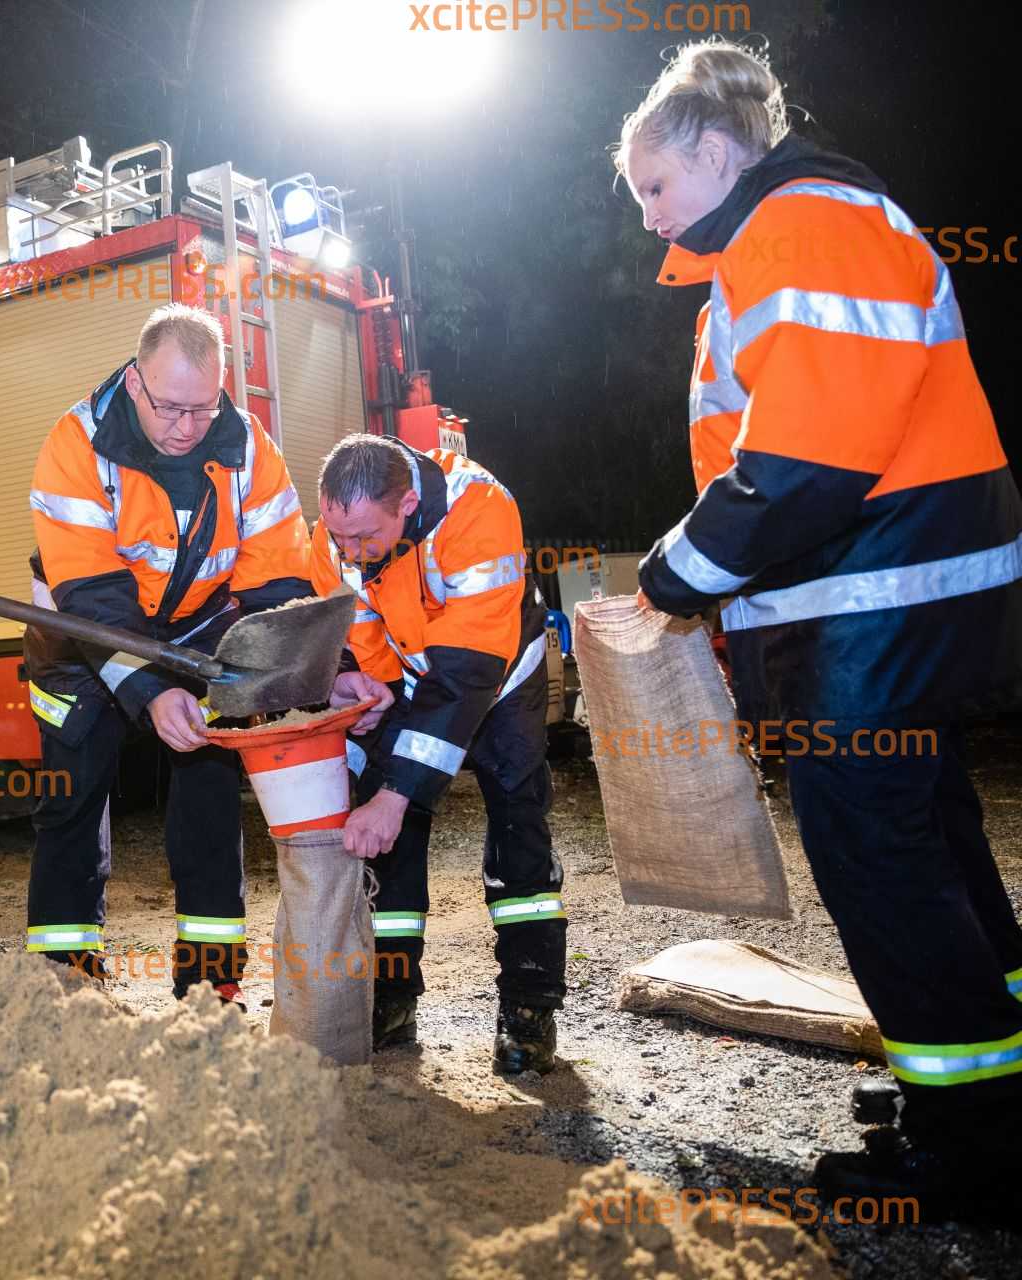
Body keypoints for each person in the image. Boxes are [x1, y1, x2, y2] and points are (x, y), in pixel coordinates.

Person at [618, 39, 1022, 1214]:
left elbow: (803, 460)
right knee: (930, 838)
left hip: (878, 595)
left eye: (654, 186)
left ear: (711, 147)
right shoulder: (813, 222)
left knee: (879, 860)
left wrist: (677, 572)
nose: (650, 218)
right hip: (897, 591)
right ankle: (987, 1082)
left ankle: (976, 1147)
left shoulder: (797, 223)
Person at [23, 303, 313, 1004]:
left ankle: (211, 985)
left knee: (211, 798)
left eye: (202, 409)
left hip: (195, 640)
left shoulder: (247, 444)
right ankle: (66, 989)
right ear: (134, 382)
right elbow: (93, 596)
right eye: (169, 408)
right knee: (71, 805)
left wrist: (278, 671)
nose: (186, 427)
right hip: (79, 641)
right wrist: (150, 691)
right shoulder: (76, 443)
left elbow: (277, 577)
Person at [313, 433, 562, 1072]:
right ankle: (393, 996)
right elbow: (354, 627)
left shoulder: (479, 510)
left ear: (408, 502)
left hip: (497, 677)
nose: (352, 551)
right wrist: (365, 685)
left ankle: (529, 1005)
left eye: (366, 537)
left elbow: (465, 676)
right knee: (387, 841)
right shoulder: (339, 532)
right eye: (340, 537)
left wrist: (399, 792)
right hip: (416, 675)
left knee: (517, 821)